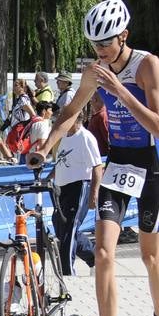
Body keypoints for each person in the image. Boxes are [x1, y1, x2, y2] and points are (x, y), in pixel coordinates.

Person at [31, 0, 159, 316]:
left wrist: (119, 89)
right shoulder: (93, 71)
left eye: (106, 44)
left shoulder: (148, 65)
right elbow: (69, 114)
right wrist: (46, 148)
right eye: (94, 45)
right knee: (103, 253)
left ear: (124, 36)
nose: (100, 52)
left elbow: (157, 125)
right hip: (119, 162)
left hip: (151, 165)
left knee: (151, 256)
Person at [50, 111, 103, 275]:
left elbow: (97, 166)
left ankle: (67, 271)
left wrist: (94, 193)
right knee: (60, 227)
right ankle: (94, 256)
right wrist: (48, 178)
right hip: (62, 187)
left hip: (79, 186)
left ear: (74, 119)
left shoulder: (85, 138)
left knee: (69, 228)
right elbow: (60, 162)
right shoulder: (64, 138)